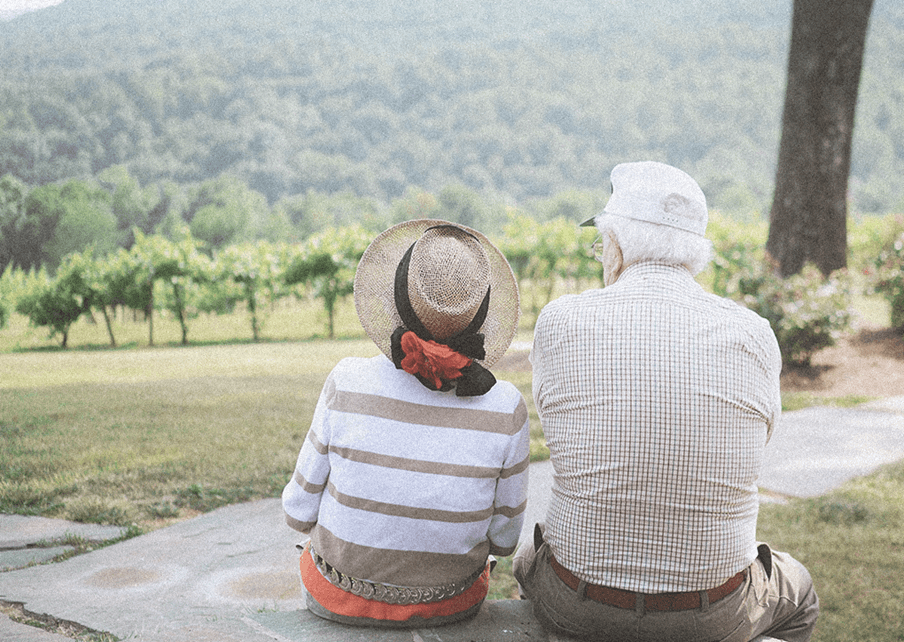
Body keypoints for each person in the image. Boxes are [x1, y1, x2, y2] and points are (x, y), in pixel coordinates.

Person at [514, 161, 819, 642]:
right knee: (798, 592)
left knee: (529, 557)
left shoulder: (560, 321)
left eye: (602, 242)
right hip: (712, 613)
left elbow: (558, 430)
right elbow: (760, 442)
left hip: (582, 605)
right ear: (694, 251)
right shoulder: (754, 333)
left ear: (617, 244)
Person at [282, 220, 530, 628]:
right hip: (451, 604)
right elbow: (505, 540)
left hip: (338, 596)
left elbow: (298, 510)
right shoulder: (506, 407)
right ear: (479, 313)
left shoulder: (346, 381)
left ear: (397, 298)